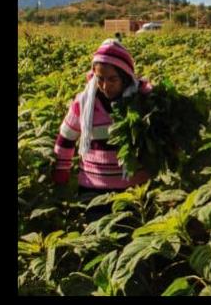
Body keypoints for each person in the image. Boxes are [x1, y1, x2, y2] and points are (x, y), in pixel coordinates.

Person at [52, 39, 152, 202]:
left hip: (135, 190)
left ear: (125, 77)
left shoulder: (142, 101)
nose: (105, 86)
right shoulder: (84, 102)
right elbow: (66, 138)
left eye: (113, 79)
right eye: (100, 79)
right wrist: (61, 171)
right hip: (93, 189)